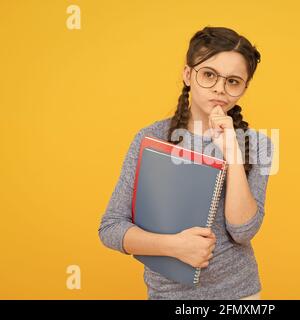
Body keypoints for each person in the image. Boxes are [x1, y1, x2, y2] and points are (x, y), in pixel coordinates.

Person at [98, 26, 274, 300]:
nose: (219, 88)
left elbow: (243, 231)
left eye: (233, 81)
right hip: (167, 295)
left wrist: (233, 155)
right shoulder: (151, 138)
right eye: (208, 75)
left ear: (244, 88)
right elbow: (111, 228)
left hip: (239, 294)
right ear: (188, 74)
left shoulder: (258, 144)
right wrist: (173, 246)